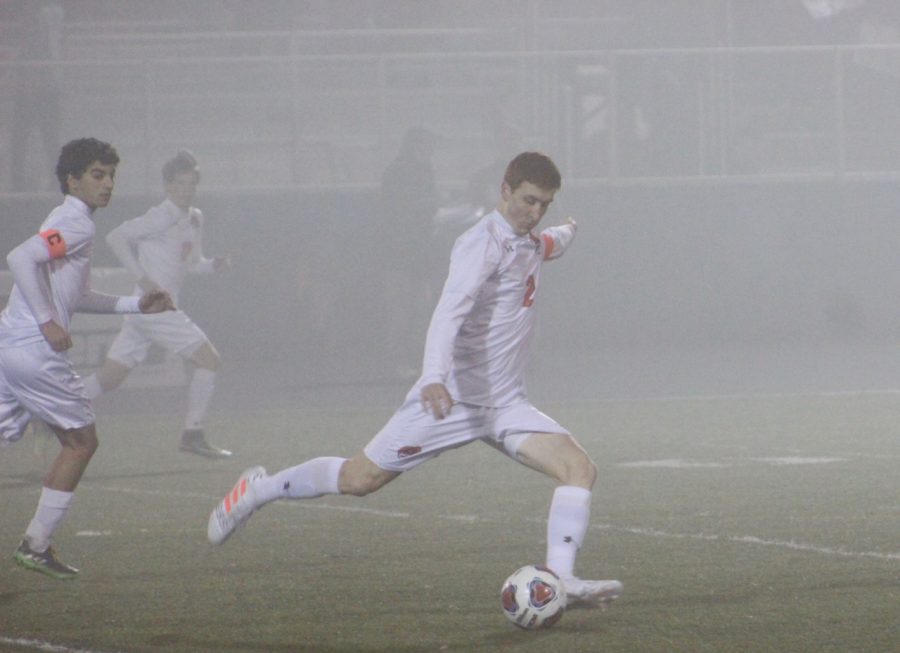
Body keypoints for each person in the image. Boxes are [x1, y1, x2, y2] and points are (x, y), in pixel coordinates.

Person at [207, 152, 623, 608]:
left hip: (505, 404)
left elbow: (548, 243)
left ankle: (560, 580)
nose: (535, 212)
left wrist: (570, 228)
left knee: (578, 469)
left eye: (544, 204)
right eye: (528, 200)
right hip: (453, 399)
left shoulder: (530, 239)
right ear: (504, 190)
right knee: (358, 478)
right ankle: (257, 490)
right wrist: (432, 376)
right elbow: (448, 313)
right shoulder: (479, 244)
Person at [1, 137, 174, 579]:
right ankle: (35, 545)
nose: (108, 183)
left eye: (112, 174)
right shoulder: (75, 224)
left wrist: (136, 305)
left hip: (12, 348)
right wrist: (47, 322)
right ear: (71, 179)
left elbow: (78, 296)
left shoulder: (67, 222)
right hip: (35, 352)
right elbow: (19, 258)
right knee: (81, 442)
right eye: (97, 175)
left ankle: (36, 545)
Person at [81, 150, 233, 459]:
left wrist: (214, 265)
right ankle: (193, 433)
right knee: (210, 361)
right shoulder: (161, 216)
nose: (185, 188)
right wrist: (143, 278)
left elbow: (191, 263)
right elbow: (116, 237)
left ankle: (48, 411)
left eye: (191, 182)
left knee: (109, 378)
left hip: (145, 310)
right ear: (167, 185)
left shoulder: (194, 217)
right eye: (179, 182)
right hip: (154, 307)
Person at [379, 126, 441, 376]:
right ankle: (399, 361)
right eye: (427, 144)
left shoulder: (424, 170)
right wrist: (429, 204)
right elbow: (396, 211)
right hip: (400, 252)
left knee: (421, 307)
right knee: (402, 308)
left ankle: (415, 360)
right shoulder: (397, 173)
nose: (431, 150)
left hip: (420, 252)